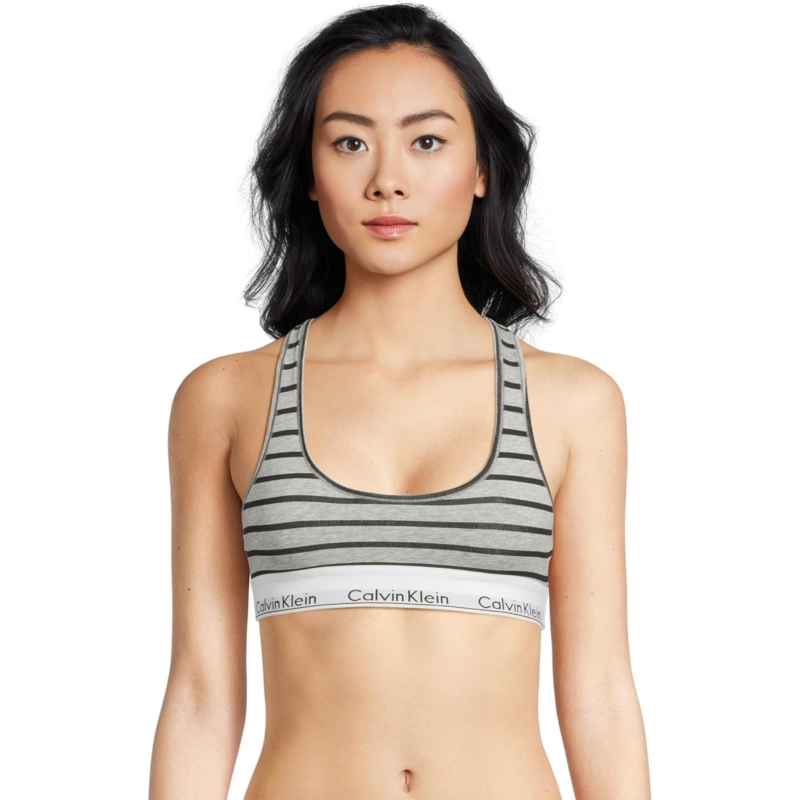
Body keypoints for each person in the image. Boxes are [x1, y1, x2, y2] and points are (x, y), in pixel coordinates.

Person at [148, 4, 650, 798]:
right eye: (350, 142)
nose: (387, 179)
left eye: (427, 141)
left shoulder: (573, 403)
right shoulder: (227, 398)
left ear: (482, 169)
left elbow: (601, 696)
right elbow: (202, 698)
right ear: (309, 174)